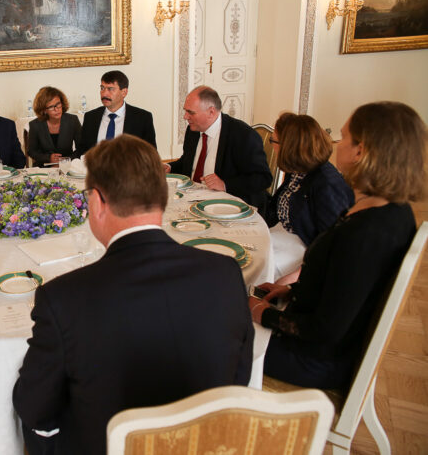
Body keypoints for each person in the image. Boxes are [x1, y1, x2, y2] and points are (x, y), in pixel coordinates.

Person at [13, 134, 253, 455]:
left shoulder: (62, 299)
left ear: (97, 203)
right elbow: (238, 377)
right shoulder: (225, 274)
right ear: (163, 195)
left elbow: (33, 407)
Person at [248, 102, 427, 389]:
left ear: (361, 151)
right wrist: (291, 289)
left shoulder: (366, 233)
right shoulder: (392, 209)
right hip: (312, 335)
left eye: (343, 138)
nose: (335, 145)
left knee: (210, 329)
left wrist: (262, 313)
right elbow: (344, 288)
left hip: (314, 358)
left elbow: (325, 330)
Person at [263, 113, 353, 281]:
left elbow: (331, 242)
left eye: (273, 141)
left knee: (256, 267)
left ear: (289, 147)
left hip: (304, 248)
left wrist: (299, 274)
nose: (272, 146)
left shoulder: (326, 183)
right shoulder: (298, 171)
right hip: (283, 235)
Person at [167, 86, 271, 209]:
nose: (185, 117)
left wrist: (225, 184)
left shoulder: (243, 135)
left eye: (191, 112)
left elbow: (263, 178)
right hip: (192, 200)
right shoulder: (193, 130)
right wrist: (169, 167)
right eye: (185, 111)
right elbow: (188, 161)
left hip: (229, 206)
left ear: (211, 112)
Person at [78, 70, 156, 156]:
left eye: (110, 89)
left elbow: (151, 154)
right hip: (95, 168)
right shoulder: (91, 117)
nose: (104, 94)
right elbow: (82, 151)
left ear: (124, 92)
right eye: (102, 88)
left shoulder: (142, 118)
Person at [27, 86, 82, 167]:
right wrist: (48, 158)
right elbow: (32, 151)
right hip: (43, 168)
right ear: (44, 110)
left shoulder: (72, 120)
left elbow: (81, 148)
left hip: (68, 166)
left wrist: (66, 160)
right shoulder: (35, 125)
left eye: (58, 104)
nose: (57, 109)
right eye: (51, 107)